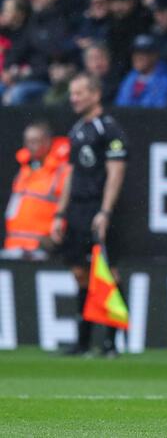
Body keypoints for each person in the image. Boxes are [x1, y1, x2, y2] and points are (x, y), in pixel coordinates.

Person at [51, 73, 128, 356]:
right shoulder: (76, 130)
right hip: (77, 210)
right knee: (79, 273)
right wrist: (60, 213)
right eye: (72, 93)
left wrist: (105, 211)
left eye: (79, 93)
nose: (74, 98)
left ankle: (112, 342)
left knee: (108, 272)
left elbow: (116, 171)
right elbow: (71, 173)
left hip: (98, 208)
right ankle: (83, 341)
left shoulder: (108, 129)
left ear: (95, 95)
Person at [3, 121, 70, 258]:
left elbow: (67, 205)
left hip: (40, 248)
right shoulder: (24, 170)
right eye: (27, 141)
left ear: (46, 142)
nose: (30, 146)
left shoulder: (60, 171)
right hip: (13, 245)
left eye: (34, 141)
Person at [115, 34, 167, 108]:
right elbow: (120, 104)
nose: (138, 57)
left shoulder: (165, 78)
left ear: (155, 55)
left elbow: (159, 109)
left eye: (143, 53)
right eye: (135, 53)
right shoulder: (130, 76)